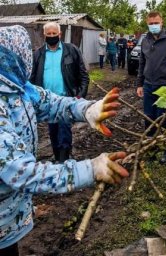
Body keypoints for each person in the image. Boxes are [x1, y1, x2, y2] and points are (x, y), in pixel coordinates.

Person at [0, 25, 129, 255]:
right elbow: (23, 172)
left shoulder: (17, 88)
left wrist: (87, 109)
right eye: (24, 52)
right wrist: (90, 170)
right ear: (12, 58)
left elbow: (50, 101)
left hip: (9, 218)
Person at [30, 22, 90, 163]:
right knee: (53, 131)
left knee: (64, 130)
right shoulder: (38, 54)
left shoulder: (71, 50)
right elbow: (32, 78)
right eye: (49, 34)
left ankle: (63, 159)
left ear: (60, 34)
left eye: (54, 34)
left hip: (66, 99)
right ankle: (58, 156)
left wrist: (79, 96)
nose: (52, 36)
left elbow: (83, 76)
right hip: (47, 102)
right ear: (44, 35)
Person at [136, 11, 166, 163]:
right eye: (150, 24)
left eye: (156, 23)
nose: (153, 26)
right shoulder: (145, 40)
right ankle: (150, 150)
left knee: (164, 119)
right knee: (149, 119)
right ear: (147, 24)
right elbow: (142, 63)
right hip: (149, 85)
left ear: (162, 22)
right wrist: (139, 83)